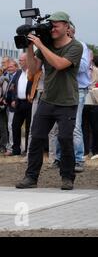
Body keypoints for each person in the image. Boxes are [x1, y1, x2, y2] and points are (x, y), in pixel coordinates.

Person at [16, 11, 83, 191]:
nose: (52, 28)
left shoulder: (75, 47)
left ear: (67, 27)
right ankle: (31, 177)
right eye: (51, 24)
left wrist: (41, 45)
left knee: (65, 138)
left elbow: (60, 64)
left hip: (67, 101)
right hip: (47, 100)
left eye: (56, 25)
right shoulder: (44, 45)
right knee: (36, 138)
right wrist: (30, 46)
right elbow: (33, 70)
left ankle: (67, 177)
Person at [53, 23, 90, 172]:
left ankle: (79, 159)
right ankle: (59, 158)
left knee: (75, 126)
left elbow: (83, 67)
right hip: (61, 90)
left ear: (72, 31)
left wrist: (66, 60)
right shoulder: (56, 46)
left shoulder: (80, 46)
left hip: (78, 89)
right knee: (59, 126)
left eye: (69, 31)